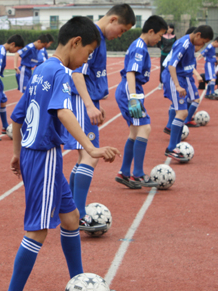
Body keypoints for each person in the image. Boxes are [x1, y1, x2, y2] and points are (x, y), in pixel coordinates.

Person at [3, 17, 120, 291]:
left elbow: (17, 117)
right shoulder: (61, 73)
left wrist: (17, 152)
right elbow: (63, 112)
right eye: (88, 53)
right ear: (75, 42)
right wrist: (91, 148)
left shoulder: (42, 68)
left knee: (70, 219)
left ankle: (80, 283)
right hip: (43, 157)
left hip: (38, 154)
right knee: (38, 229)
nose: (87, 60)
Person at [64, 4, 135, 230]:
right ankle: (78, 214)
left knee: (83, 157)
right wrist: (88, 105)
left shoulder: (99, 39)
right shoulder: (91, 37)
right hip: (79, 100)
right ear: (112, 20)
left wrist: (95, 103)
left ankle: (71, 210)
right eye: (122, 30)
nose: (120, 35)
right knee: (90, 157)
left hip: (86, 100)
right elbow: (77, 73)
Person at [115, 16, 167, 189]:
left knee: (135, 132)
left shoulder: (140, 45)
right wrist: (133, 99)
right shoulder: (139, 48)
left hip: (132, 91)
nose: (159, 40)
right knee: (145, 128)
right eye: (159, 36)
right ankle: (137, 174)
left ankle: (124, 172)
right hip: (131, 91)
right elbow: (130, 72)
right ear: (151, 31)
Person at [162, 25, 213, 162]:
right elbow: (172, 65)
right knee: (182, 112)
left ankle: (176, 144)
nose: (203, 45)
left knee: (183, 111)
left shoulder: (191, 43)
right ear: (198, 35)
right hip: (175, 79)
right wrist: (177, 85)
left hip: (183, 78)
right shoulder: (183, 44)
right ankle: (171, 148)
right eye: (203, 41)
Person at [157, 23, 176, 90]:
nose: (170, 29)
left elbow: (175, 45)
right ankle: (161, 82)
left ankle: (170, 83)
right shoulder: (162, 36)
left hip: (170, 55)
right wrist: (162, 48)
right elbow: (158, 43)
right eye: (169, 28)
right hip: (163, 54)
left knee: (171, 69)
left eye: (171, 28)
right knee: (162, 69)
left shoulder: (174, 36)